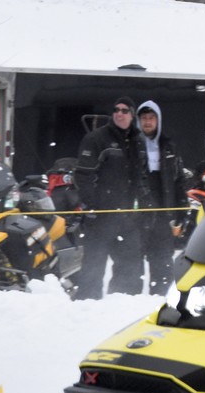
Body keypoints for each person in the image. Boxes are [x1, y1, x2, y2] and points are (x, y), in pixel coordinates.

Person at [71, 97, 142, 299]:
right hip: (101, 215)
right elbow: (83, 175)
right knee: (93, 266)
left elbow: (141, 177)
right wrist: (92, 205)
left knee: (130, 265)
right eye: (116, 109)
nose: (119, 113)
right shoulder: (96, 139)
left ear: (132, 115)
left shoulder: (138, 141)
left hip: (127, 216)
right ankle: (86, 304)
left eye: (124, 110)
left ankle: (121, 302)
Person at [132, 100, 187, 296]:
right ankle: (128, 302)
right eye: (144, 118)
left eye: (151, 118)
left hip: (163, 214)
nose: (147, 122)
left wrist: (181, 210)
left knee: (163, 261)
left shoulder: (169, 146)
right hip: (137, 215)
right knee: (132, 262)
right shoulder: (130, 145)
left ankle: (160, 299)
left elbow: (179, 180)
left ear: (158, 120)